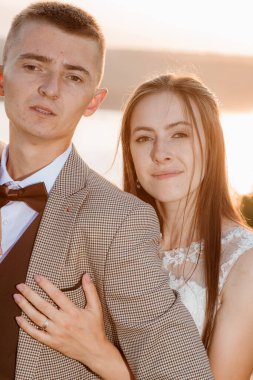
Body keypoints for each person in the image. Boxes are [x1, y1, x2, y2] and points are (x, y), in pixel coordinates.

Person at [0, 2, 213, 380]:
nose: (50, 89)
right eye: (33, 66)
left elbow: (181, 369)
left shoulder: (118, 219)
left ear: (93, 102)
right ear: (2, 78)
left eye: (74, 77)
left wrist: (102, 356)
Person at [13, 72, 253, 379]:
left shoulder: (244, 263)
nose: (159, 153)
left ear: (213, 145)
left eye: (179, 134)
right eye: (143, 138)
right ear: (131, 156)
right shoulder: (109, 236)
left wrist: (99, 355)